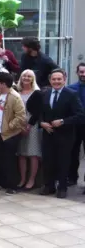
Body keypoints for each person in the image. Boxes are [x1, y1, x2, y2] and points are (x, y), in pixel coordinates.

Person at [39, 69, 85, 198]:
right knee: (48, 161)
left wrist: (63, 121)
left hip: (65, 135)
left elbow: (80, 115)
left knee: (63, 162)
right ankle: (49, 186)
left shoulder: (71, 94)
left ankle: (62, 188)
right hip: (48, 134)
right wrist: (41, 122)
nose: (56, 81)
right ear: (50, 80)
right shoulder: (45, 93)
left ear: (64, 80)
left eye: (59, 79)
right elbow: (40, 112)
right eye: (54, 79)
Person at [0, 72, 27, 194]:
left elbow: (21, 117)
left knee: (10, 160)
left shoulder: (15, 97)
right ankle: (2, 183)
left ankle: (12, 186)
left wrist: (9, 126)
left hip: (10, 134)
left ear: (3, 84)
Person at [16, 69, 43, 190]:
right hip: (18, 124)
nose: (26, 78)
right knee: (21, 153)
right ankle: (22, 179)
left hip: (32, 124)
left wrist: (29, 125)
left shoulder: (37, 93)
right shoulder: (17, 91)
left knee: (32, 153)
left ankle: (31, 180)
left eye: (29, 76)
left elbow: (38, 112)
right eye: (24, 76)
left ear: (33, 79)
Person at [68, 63, 85, 187]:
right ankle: (72, 177)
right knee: (73, 153)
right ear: (77, 73)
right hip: (75, 126)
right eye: (81, 72)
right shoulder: (71, 89)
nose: (83, 74)